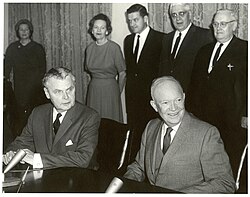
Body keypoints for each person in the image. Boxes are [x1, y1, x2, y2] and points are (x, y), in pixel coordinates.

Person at [123, 76, 235, 193]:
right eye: (165, 102)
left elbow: (225, 183)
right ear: (154, 106)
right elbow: (139, 167)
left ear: (184, 97)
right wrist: (122, 185)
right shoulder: (151, 127)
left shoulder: (206, 134)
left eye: (178, 100)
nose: (174, 108)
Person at [188, 9, 247, 181]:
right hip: (203, 119)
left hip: (231, 120)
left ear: (234, 25)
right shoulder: (204, 50)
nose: (218, 28)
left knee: (228, 162)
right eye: (215, 24)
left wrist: (247, 114)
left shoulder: (245, 49)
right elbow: (194, 85)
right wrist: (190, 112)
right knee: (204, 160)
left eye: (223, 24)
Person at [3, 67, 100, 169]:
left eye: (69, 89)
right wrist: (11, 153)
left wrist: (36, 159)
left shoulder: (89, 117)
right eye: (58, 92)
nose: (66, 97)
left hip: (79, 179)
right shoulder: (38, 113)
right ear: (47, 93)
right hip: (44, 179)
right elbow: (22, 143)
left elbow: (83, 159)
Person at [124, 4, 165, 161]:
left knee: (152, 134)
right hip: (133, 97)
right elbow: (131, 70)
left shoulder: (161, 39)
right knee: (135, 133)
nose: (132, 24)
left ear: (146, 19)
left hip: (151, 97)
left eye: (136, 20)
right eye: (130, 21)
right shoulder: (128, 40)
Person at [4, 19, 47, 138]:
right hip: (19, 87)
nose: (24, 32)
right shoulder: (12, 48)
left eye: (26, 29)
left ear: (30, 31)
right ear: (18, 32)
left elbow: (42, 69)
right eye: (21, 29)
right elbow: (6, 69)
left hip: (35, 88)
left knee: (33, 114)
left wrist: (38, 87)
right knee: (18, 117)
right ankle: (19, 140)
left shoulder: (37, 48)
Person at [159, 3, 213, 94]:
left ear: (190, 14)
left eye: (182, 14)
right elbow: (163, 69)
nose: (178, 18)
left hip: (194, 96)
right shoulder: (166, 38)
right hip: (170, 96)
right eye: (174, 15)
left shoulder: (205, 36)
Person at [85, 13, 126, 123]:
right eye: (96, 27)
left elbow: (122, 73)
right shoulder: (89, 49)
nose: (99, 30)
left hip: (110, 90)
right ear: (92, 30)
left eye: (102, 28)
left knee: (110, 123)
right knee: (93, 123)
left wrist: (118, 91)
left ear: (107, 31)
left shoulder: (114, 48)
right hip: (94, 90)